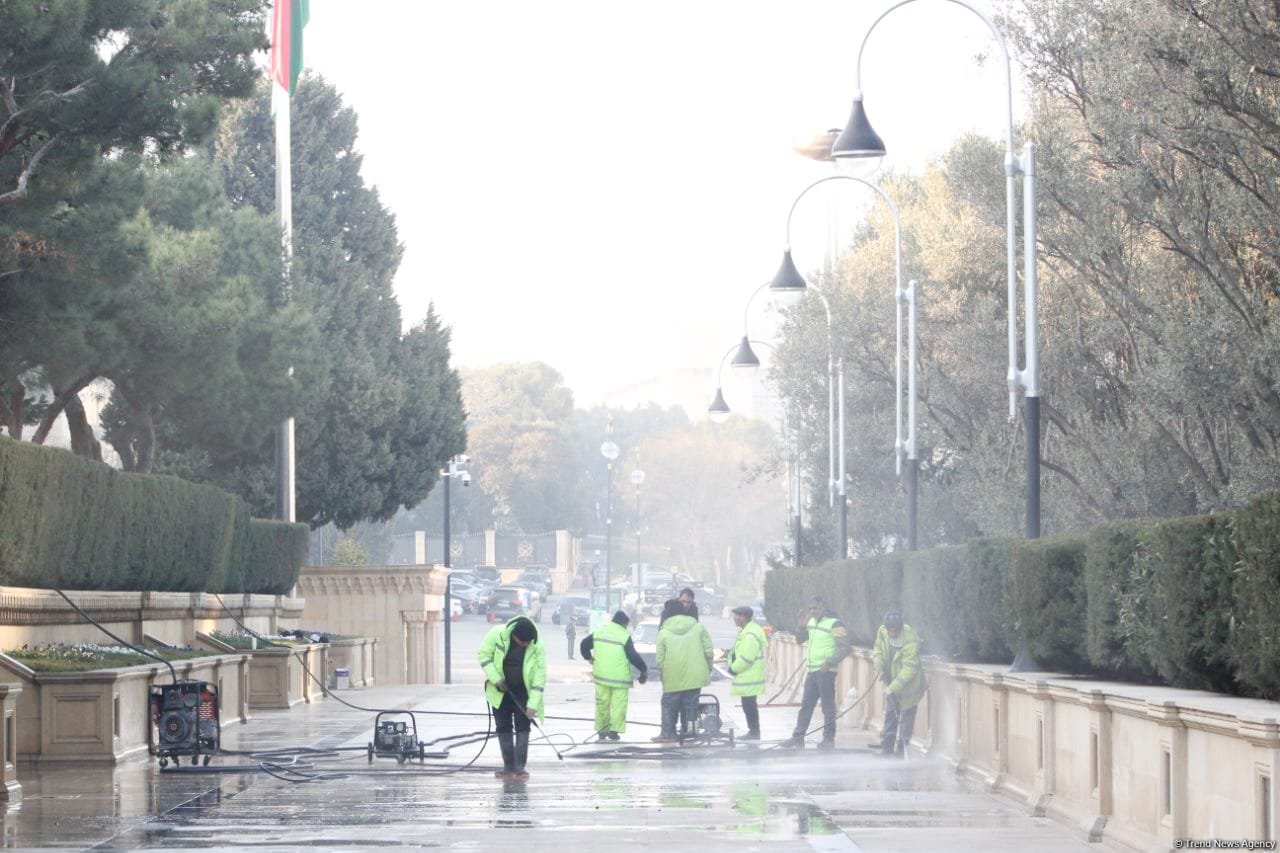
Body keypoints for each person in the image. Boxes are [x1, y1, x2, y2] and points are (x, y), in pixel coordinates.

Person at [477, 615, 546, 780]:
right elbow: (483, 655)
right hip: (500, 691)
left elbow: (539, 675)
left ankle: (520, 767)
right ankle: (508, 766)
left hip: (523, 692)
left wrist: (533, 705)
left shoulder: (537, 645)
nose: (526, 645)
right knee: (503, 726)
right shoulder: (497, 634)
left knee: (523, 727)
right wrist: (496, 679)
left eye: (528, 643)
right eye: (523, 643)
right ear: (515, 636)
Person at [781, 595, 851, 749]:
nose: (812, 611)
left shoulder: (835, 623)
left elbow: (846, 648)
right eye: (810, 609)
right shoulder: (811, 622)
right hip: (812, 671)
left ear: (824, 607)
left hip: (826, 671)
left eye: (815, 608)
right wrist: (800, 625)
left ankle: (828, 739)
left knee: (828, 707)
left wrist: (830, 662)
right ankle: (798, 737)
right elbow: (800, 640)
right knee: (806, 705)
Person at [579, 609, 648, 741]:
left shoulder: (599, 632)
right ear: (624, 624)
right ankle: (614, 731)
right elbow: (633, 656)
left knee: (602, 703)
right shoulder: (624, 635)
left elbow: (583, 644)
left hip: (602, 677)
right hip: (619, 679)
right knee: (618, 704)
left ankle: (602, 730)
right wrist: (643, 669)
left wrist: (589, 658)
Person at [653, 598, 713, 742]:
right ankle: (690, 732)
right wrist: (707, 668)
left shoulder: (663, 632)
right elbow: (709, 651)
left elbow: (660, 659)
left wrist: (663, 673)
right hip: (696, 675)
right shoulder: (698, 627)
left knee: (669, 704)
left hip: (672, 675)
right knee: (691, 704)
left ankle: (668, 734)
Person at [872, 609, 927, 757]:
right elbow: (877, 650)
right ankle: (887, 748)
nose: (893, 632)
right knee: (891, 715)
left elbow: (909, 669)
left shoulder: (910, 639)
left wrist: (893, 687)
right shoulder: (882, 631)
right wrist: (879, 667)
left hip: (910, 686)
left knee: (906, 717)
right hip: (891, 681)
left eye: (896, 629)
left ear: (900, 627)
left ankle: (901, 750)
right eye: (890, 629)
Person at [726, 604, 768, 740]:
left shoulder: (750, 634)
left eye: (737, 615)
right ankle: (753, 731)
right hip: (748, 677)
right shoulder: (748, 631)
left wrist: (733, 668)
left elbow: (746, 658)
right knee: (748, 705)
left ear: (744, 617)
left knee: (749, 706)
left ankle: (754, 732)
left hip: (749, 677)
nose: (735, 618)